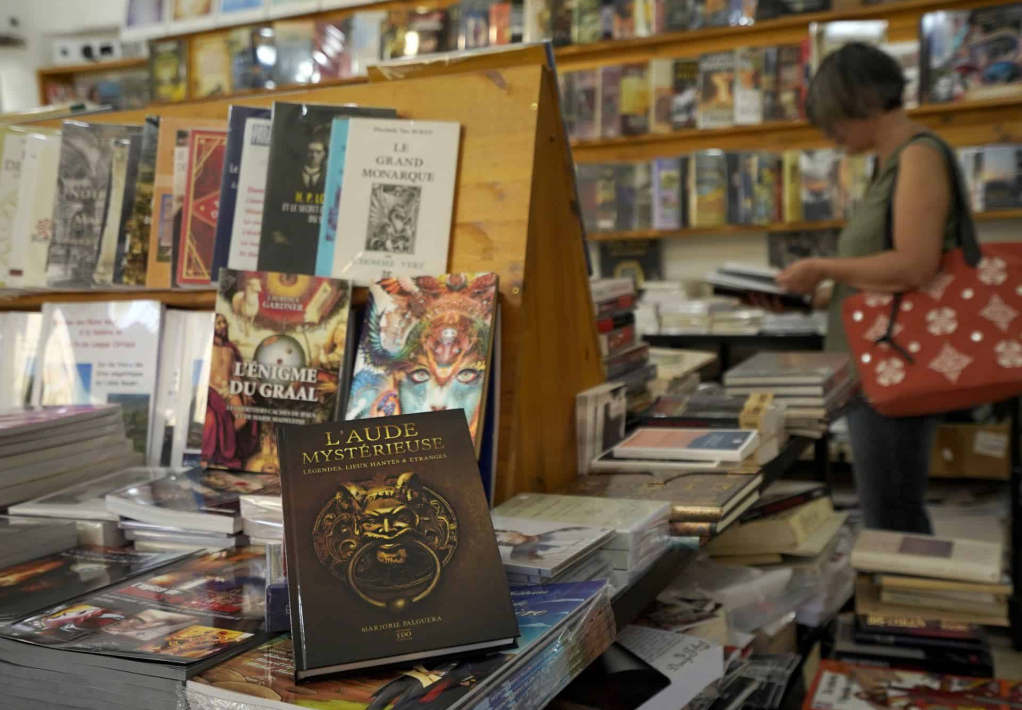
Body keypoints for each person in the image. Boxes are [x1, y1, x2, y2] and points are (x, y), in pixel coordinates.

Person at [775, 43, 967, 534]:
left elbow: (913, 266)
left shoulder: (918, 157)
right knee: (888, 507)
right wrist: (826, 290)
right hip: (877, 359)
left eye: (832, 119)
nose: (831, 134)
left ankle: (905, 611)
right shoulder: (893, 161)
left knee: (892, 514)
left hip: (894, 362)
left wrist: (824, 267)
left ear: (860, 100)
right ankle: (900, 605)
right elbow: (885, 266)